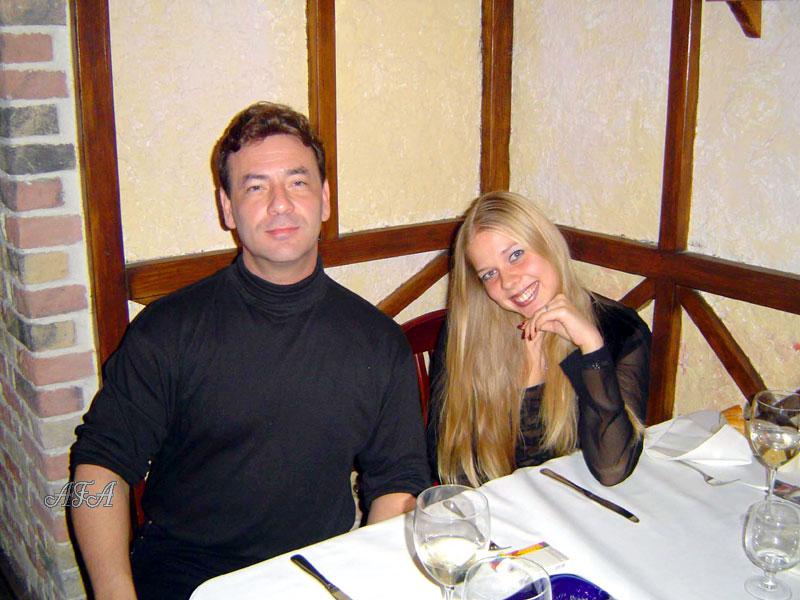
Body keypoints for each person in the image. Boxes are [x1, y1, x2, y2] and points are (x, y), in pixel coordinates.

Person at [70, 102, 431, 600]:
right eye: (256, 187)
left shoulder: (378, 341)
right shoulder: (168, 330)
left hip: (317, 574)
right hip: (187, 579)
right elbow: (96, 466)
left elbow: (398, 481)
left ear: (325, 199)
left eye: (298, 182)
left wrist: (364, 578)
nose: (280, 203)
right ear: (227, 208)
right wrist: (113, 592)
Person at [427, 191, 651, 488]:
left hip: (581, 504)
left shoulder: (620, 329)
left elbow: (612, 469)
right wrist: (528, 379)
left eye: (516, 255)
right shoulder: (469, 335)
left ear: (547, 243)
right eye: (489, 274)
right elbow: (451, 466)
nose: (508, 281)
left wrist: (592, 350)